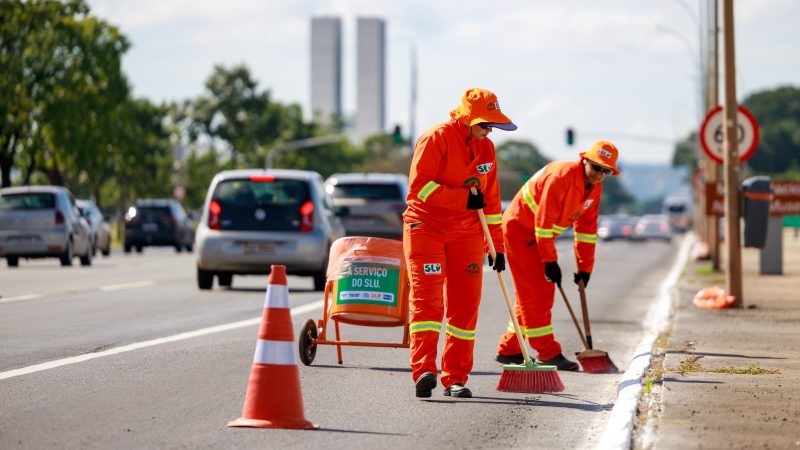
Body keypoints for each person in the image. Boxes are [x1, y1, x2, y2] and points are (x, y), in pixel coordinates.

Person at [403, 88, 516, 398]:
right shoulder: (435, 138)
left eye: (492, 125)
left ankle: (455, 378)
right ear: (468, 118)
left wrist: (497, 247)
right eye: (484, 124)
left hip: (467, 233)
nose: (489, 130)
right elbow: (419, 189)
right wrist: (463, 198)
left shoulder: (487, 150)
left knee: (465, 307)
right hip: (426, 227)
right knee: (428, 302)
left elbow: (491, 204)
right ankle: (424, 369)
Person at [494, 140, 621, 370]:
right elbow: (543, 224)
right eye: (596, 167)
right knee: (539, 294)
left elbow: (586, 231)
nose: (600, 174)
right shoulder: (561, 177)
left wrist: (585, 269)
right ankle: (547, 352)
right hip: (520, 232)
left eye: (606, 171)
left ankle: (510, 349)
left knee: (528, 296)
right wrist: (550, 261)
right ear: (585, 161)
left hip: (537, 236)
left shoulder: (594, 188)